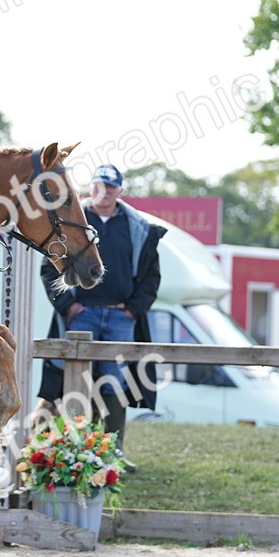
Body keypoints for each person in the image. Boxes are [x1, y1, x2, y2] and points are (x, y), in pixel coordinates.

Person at [33, 164, 166, 471]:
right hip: (82, 315)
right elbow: (48, 267)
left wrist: (134, 310)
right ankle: (73, 448)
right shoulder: (75, 221)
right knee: (73, 379)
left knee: (115, 383)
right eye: (96, 187)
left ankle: (113, 453)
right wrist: (68, 306)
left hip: (120, 316)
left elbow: (151, 277)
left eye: (108, 187)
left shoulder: (138, 228)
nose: (101, 193)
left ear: (120, 191)